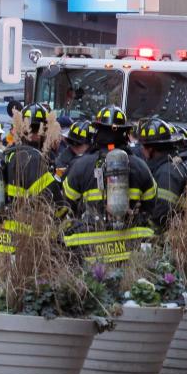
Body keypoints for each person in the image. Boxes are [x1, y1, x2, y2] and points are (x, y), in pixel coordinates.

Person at [62, 106, 157, 263]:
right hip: (130, 251)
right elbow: (151, 205)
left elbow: (65, 204)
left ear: (97, 131)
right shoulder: (140, 166)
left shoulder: (81, 165)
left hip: (90, 254)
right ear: (125, 134)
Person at [0, 103, 64, 255]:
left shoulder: (9, 153)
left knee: (7, 275)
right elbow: (50, 196)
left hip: (6, 233)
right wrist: (65, 215)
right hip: (27, 237)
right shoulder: (33, 157)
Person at [138, 117, 187, 230]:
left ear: (150, 150)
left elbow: (163, 210)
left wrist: (144, 226)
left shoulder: (166, 172)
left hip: (165, 238)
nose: (141, 151)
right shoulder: (169, 166)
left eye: (143, 147)